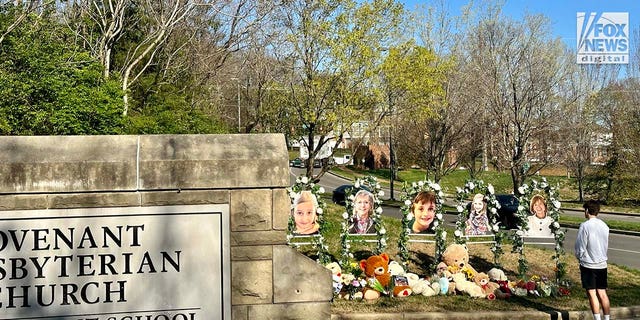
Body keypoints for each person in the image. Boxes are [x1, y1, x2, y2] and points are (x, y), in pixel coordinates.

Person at [575, 200, 610, 320]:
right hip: (602, 264)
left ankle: (597, 318)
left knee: (592, 293)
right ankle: (607, 318)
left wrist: (579, 257)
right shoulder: (604, 226)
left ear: (586, 211)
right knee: (602, 293)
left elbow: (581, 246)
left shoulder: (585, 226)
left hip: (588, 264)